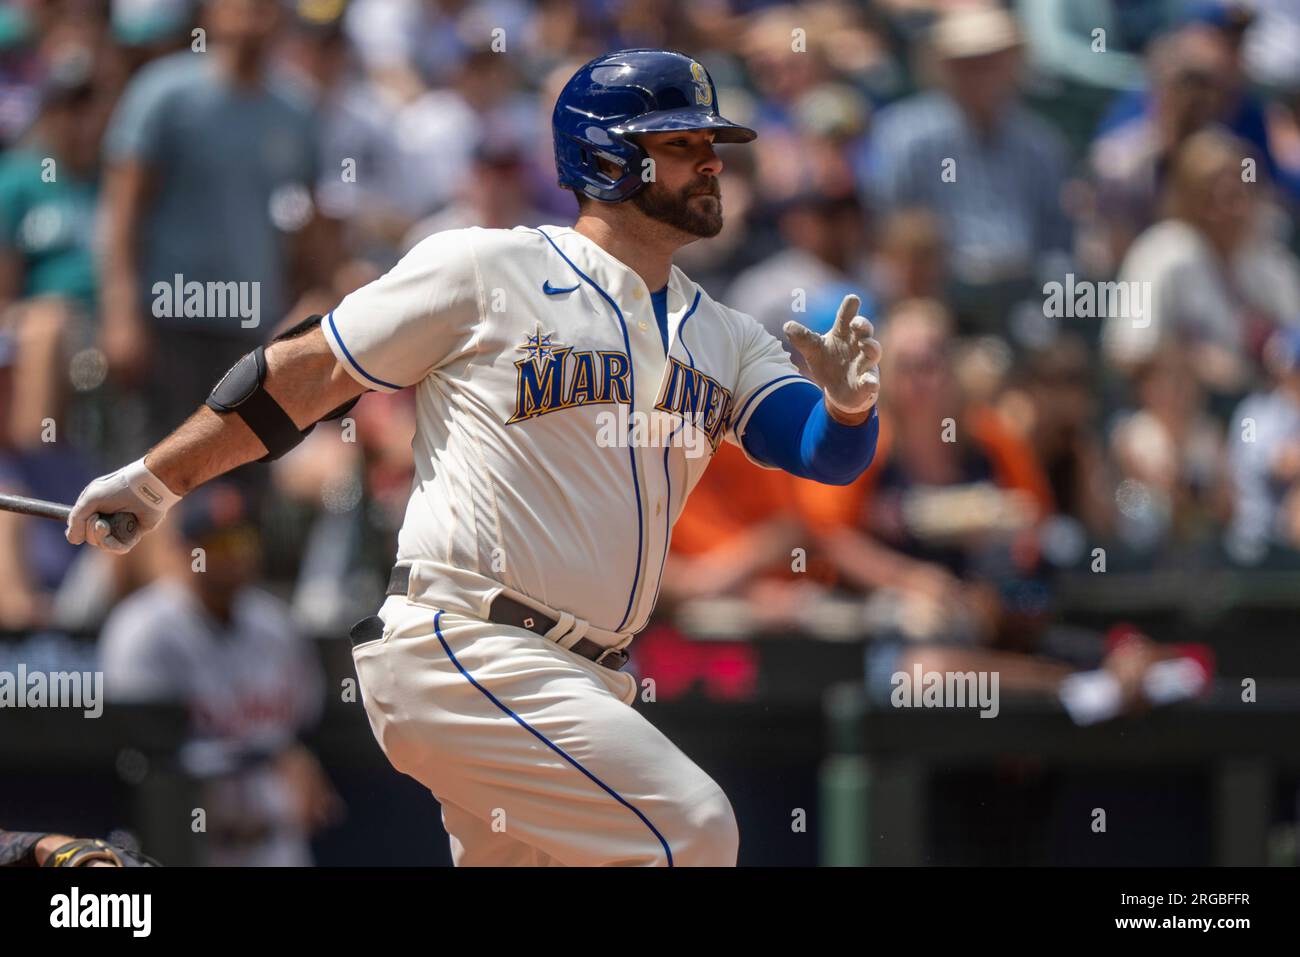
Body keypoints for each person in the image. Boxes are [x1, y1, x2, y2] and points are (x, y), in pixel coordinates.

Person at [65, 49, 883, 867]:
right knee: (693, 828)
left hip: (585, 679)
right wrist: (157, 477)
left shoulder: (726, 336)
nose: (711, 160)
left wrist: (849, 407)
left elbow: (818, 450)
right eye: (678, 143)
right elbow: (303, 373)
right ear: (606, 156)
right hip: (464, 641)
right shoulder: (488, 267)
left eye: (712, 141)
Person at [98, 483, 336, 866]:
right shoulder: (143, 629)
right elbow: (145, 757)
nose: (234, 555)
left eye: (242, 540)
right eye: (217, 543)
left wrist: (288, 754)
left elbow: (301, 727)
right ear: (183, 549)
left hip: (278, 847)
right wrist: (273, 756)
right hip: (186, 849)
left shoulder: (277, 625)